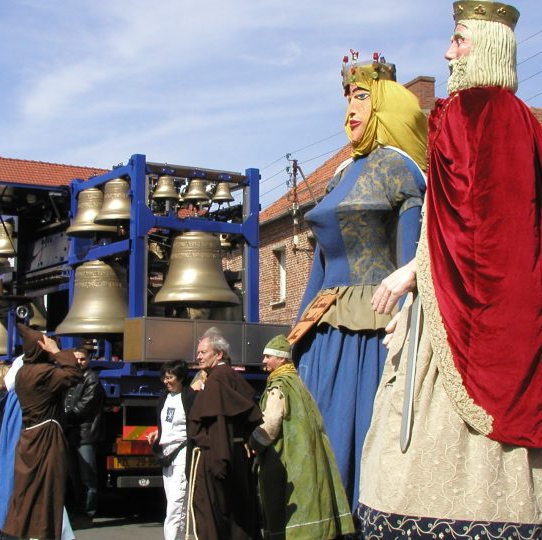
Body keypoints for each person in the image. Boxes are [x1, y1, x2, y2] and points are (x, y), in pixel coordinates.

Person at [357, 3, 542, 537]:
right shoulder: (522, 119)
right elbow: (490, 228)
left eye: (459, 41)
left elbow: (478, 225)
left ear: (490, 46)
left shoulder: (474, 113)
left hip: (463, 308)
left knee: (423, 452)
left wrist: (412, 274)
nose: (448, 53)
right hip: (504, 309)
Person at [291, 51, 427, 508]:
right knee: (316, 442)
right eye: (347, 97)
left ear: (386, 103)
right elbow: (320, 267)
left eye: (362, 97)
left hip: (374, 332)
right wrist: (293, 336)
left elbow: (412, 263)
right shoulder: (340, 174)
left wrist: (406, 325)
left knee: (361, 442)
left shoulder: (403, 169)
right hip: (326, 331)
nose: (350, 109)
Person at [249, 335, 354, 539]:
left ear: (282, 359)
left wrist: (253, 442)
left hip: (287, 458)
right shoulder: (298, 383)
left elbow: (271, 423)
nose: (263, 361)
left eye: (268, 356)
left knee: (284, 509)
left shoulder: (279, 385)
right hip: (308, 455)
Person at [2, 324, 82, 540]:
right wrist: (56, 351)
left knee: (28, 489)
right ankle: (42, 533)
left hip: (29, 436)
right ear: (40, 348)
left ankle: (23, 530)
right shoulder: (43, 374)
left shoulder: (22, 373)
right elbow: (73, 374)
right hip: (46, 437)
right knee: (48, 489)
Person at [186, 332, 262, 540]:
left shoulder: (216, 381)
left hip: (218, 454)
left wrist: (220, 460)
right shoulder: (230, 375)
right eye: (198, 352)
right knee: (238, 511)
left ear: (218, 354)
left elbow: (220, 422)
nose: (198, 357)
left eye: (203, 352)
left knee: (212, 514)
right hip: (234, 453)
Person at [146, 359, 195, 540]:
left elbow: (192, 425)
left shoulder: (189, 397)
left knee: (177, 504)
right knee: (173, 503)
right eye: (164, 378)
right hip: (166, 455)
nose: (166, 381)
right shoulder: (164, 397)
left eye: (170, 377)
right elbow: (166, 423)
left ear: (181, 378)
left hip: (182, 453)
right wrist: (157, 433)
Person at [63, 347, 104, 524]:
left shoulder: (91, 378)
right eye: (77, 359)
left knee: (88, 476)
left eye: (82, 359)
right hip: (71, 432)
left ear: (88, 360)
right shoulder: (70, 377)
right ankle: (78, 509)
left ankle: (88, 513)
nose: (79, 362)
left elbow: (85, 405)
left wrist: (65, 416)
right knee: (74, 475)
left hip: (85, 433)